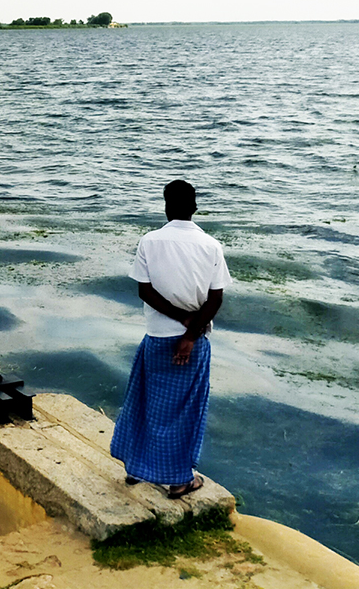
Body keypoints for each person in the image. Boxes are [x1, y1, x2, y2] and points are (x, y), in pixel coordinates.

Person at [109, 179, 229, 498]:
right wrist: (190, 333)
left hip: (157, 337)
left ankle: (137, 468)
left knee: (145, 404)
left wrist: (180, 318)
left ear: (166, 206)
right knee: (184, 413)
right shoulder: (211, 246)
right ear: (194, 207)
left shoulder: (150, 241)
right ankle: (179, 481)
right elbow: (215, 299)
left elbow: (145, 291)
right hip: (194, 341)